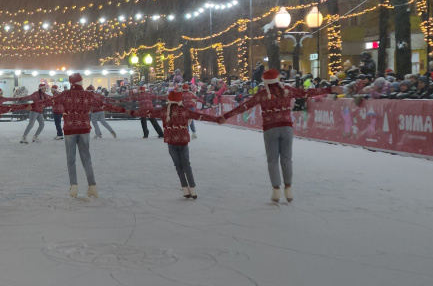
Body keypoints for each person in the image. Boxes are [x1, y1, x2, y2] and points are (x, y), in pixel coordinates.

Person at [220, 68, 331, 204]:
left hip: (270, 129)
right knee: (286, 159)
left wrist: (225, 116)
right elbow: (306, 93)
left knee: (272, 160)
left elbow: (244, 106)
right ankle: (288, 190)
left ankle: (276, 191)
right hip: (286, 127)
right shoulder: (287, 90)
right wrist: (329, 90)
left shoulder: (262, 94)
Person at [47, 72, 126, 198]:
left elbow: (48, 101)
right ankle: (92, 186)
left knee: (71, 159)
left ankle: (74, 187)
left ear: (70, 82)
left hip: (69, 129)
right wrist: (125, 110)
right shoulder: (87, 95)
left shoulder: (65, 94)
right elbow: (104, 105)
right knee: (86, 158)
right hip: (84, 128)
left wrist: (28, 106)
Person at [131, 89, 220, 198]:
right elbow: (201, 116)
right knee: (186, 165)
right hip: (183, 141)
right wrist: (218, 119)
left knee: (178, 166)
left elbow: (142, 113)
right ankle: (192, 189)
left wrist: (120, 109)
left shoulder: (164, 110)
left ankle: (185, 190)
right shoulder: (184, 110)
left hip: (171, 141)